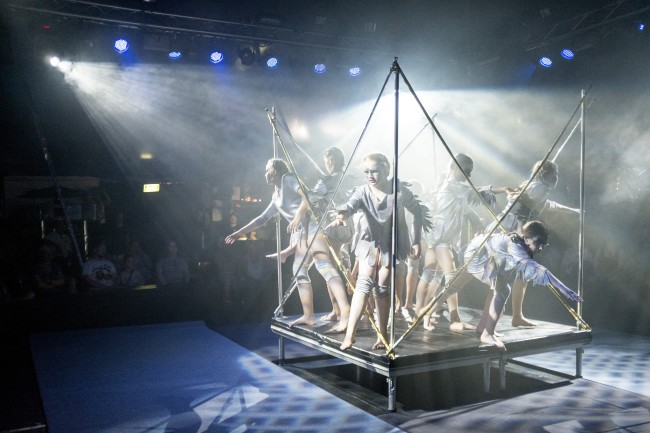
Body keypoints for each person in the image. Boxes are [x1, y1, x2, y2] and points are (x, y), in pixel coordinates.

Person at [225, 158, 350, 333]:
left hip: (313, 224)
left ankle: (346, 314)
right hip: (302, 232)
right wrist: (239, 233)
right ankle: (308, 315)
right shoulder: (276, 195)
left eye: (267, 170)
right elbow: (263, 218)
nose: (265, 174)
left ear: (275, 171)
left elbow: (307, 195)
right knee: (299, 270)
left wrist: (298, 216)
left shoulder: (288, 179)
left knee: (324, 266)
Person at [328, 152, 429, 351]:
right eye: (366, 171)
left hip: (391, 244)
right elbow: (350, 206)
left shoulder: (398, 191)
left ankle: (382, 334)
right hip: (370, 242)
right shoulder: (362, 191)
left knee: (382, 288)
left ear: (387, 170)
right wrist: (342, 216)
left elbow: (418, 211)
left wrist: (416, 241)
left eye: (375, 171)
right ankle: (350, 334)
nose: (370, 175)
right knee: (364, 284)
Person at [486, 159, 580, 327]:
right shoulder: (539, 187)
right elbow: (520, 208)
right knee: (505, 275)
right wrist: (520, 234)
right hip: (508, 229)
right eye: (555, 174)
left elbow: (548, 205)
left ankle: (516, 316)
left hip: (512, 229)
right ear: (546, 174)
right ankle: (491, 324)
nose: (557, 178)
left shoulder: (536, 187)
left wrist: (574, 211)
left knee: (521, 275)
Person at [464, 220, 583, 349]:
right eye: (537, 243)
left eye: (543, 244)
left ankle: (483, 327)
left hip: (483, 254)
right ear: (526, 239)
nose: (540, 248)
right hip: (476, 256)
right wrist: (564, 289)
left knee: (498, 288)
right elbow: (539, 270)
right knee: (503, 289)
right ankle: (487, 334)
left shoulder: (520, 245)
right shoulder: (515, 246)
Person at [414, 154, 499, 331]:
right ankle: (450, 318)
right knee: (450, 277)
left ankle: (420, 313)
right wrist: (502, 189)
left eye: (470, 172)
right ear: (454, 168)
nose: (468, 176)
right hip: (440, 237)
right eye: (466, 171)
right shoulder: (450, 186)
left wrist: (477, 222)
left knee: (431, 274)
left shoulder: (454, 188)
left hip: (442, 236)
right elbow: (474, 192)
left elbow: (466, 207)